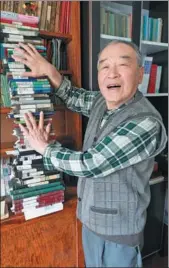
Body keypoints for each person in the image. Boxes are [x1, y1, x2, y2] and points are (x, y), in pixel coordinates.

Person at [12, 40, 167, 267]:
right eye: (104, 66)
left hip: (119, 235)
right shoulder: (100, 102)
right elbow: (73, 96)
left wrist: (45, 147)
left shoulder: (146, 122)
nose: (111, 74)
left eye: (122, 65)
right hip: (90, 222)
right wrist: (49, 71)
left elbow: (91, 164)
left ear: (140, 74)